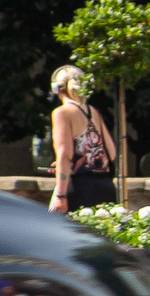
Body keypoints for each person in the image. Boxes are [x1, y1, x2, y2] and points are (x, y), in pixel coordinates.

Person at [47, 64, 118, 214]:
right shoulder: (93, 112)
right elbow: (111, 153)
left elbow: (64, 155)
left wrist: (60, 195)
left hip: (79, 188)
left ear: (56, 88)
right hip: (105, 186)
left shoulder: (62, 113)